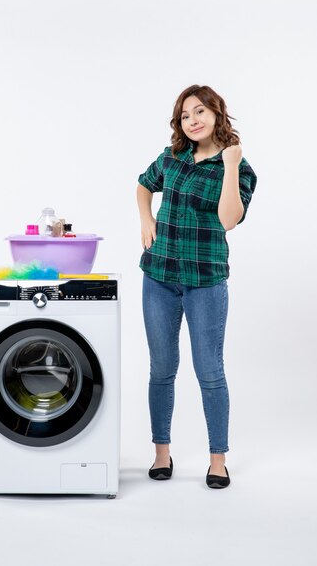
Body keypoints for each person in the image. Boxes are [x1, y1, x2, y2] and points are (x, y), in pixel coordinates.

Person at [136, 84, 257, 489]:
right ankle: (161, 453)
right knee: (162, 370)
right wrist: (146, 219)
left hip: (205, 282)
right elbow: (142, 183)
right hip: (159, 277)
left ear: (218, 115)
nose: (193, 120)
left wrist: (231, 164)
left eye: (200, 111)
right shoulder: (171, 158)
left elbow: (228, 220)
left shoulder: (238, 167)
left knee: (209, 372)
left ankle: (218, 460)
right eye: (186, 115)